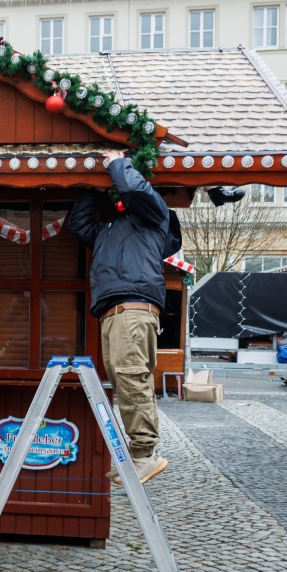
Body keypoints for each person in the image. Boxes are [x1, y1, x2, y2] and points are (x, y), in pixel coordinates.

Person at [67, 150, 181, 484]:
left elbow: (135, 191)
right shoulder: (109, 231)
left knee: (131, 376)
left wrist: (117, 163)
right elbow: (78, 224)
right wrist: (95, 187)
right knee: (125, 378)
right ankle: (142, 453)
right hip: (115, 311)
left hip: (132, 308)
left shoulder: (154, 217)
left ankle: (145, 453)